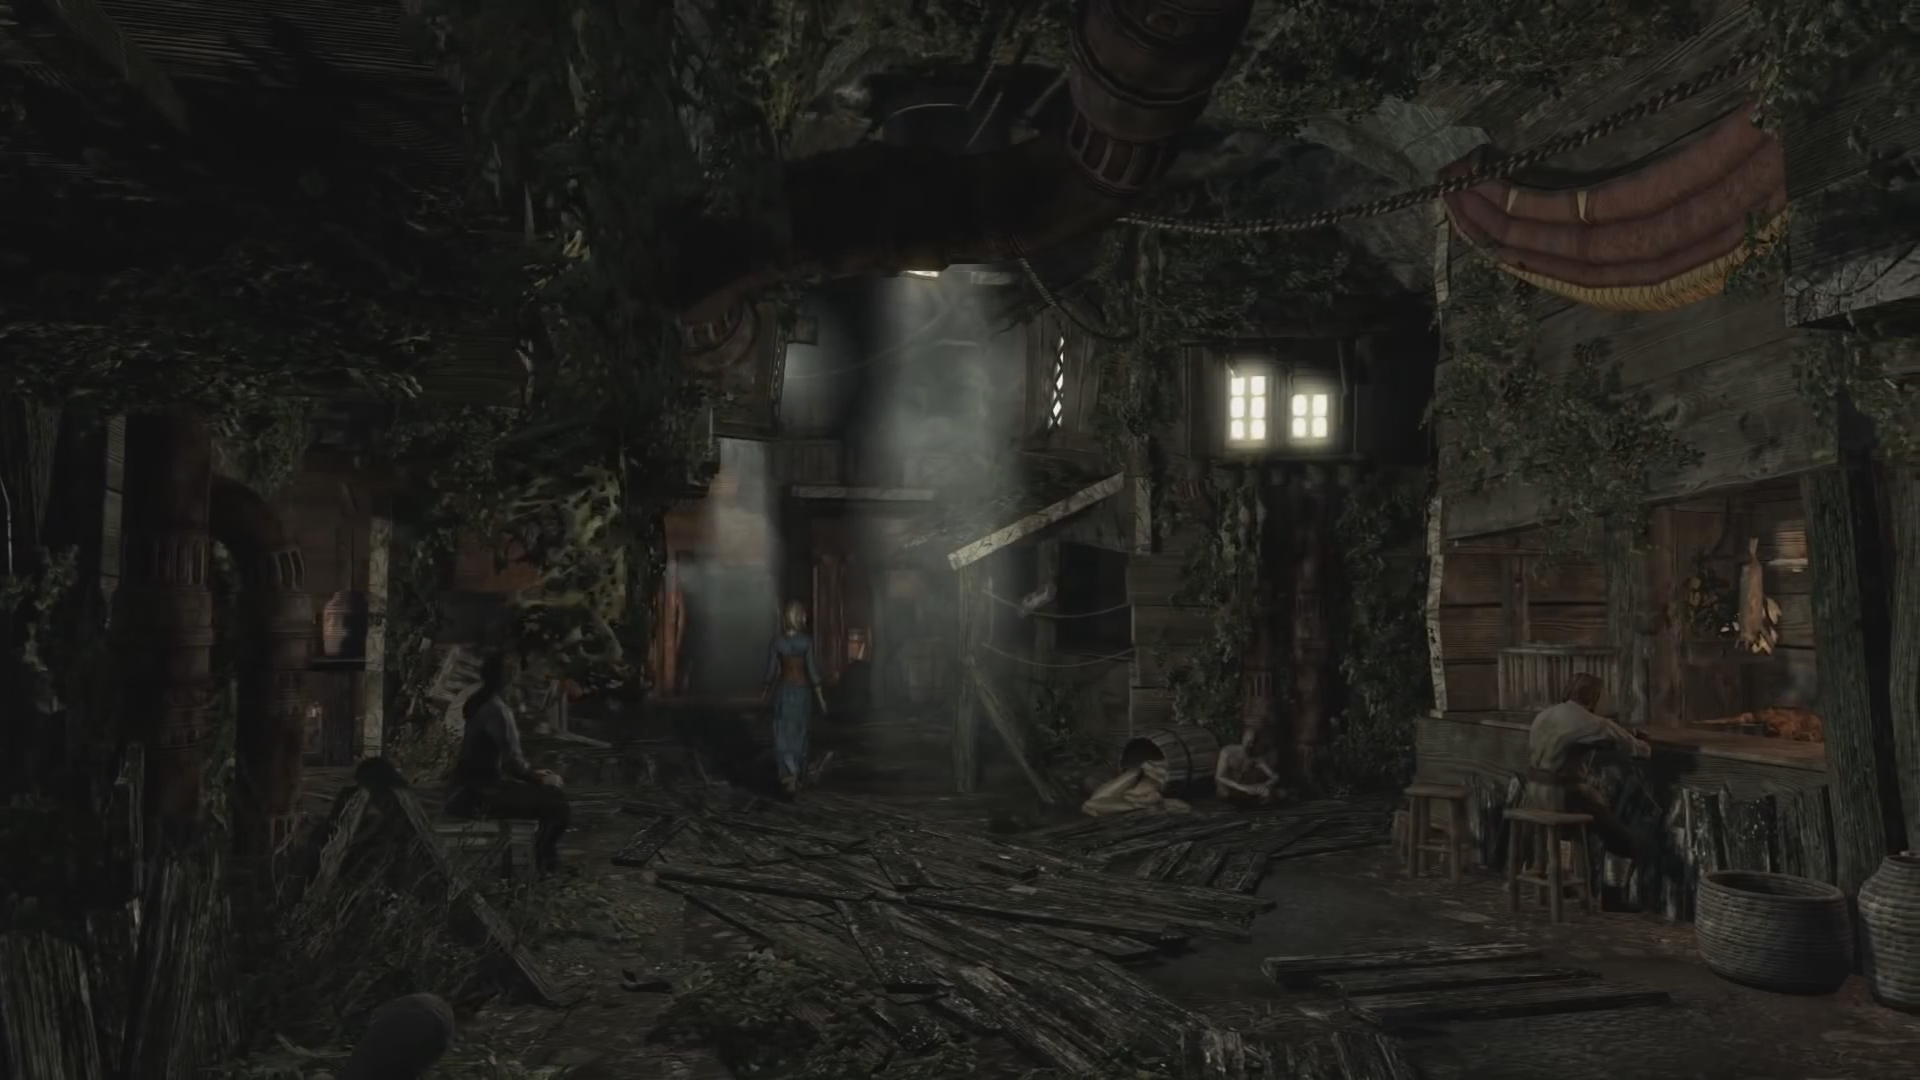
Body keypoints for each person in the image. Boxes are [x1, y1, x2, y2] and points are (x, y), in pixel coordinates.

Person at [445, 654, 570, 874]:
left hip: (464, 791)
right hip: (479, 797)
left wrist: (534, 774)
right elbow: (514, 764)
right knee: (558, 803)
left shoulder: (478, 702)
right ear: (511, 678)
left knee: (539, 794)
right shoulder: (498, 711)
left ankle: (542, 862)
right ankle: (544, 866)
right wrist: (543, 778)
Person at [1521, 672, 1650, 861]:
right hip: (1559, 797)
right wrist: (1642, 741)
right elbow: (1639, 750)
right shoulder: (1590, 721)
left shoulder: (1543, 715)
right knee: (1619, 834)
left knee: (1592, 800)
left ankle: (1568, 869)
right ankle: (1619, 870)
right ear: (1594, 696)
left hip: (1532, 794)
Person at [762, 600, 828, 796]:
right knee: (799, 731)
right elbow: (812, 672)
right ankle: (797, 773)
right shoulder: (805, 642)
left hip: (783, 692)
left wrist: (764, 694)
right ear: (799, 617)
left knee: (783, 732)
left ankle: (787, 774)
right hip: (801, 692)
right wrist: (821, 699)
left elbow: (771, 672)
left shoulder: (777, 642)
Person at [1215, 727, 1282, 805]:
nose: (1250, 745)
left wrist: (1266, 785)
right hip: (1230, 788)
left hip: (1246, 788)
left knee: (1277, 794)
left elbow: (1274, 776)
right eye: (1248, 741)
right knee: (1224, 793)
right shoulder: (1227, 752)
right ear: (1243, 738)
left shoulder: (1255, 757)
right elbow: (1219, 777)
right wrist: (1242, 787)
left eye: (1253, 742)